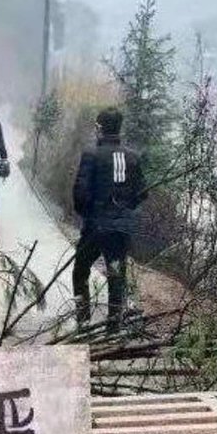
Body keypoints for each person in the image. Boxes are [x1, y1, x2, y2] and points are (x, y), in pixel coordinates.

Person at [71, 107, 147, 333]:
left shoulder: (92, 154)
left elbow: (80, 193)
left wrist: (87, 216)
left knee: (81, 270)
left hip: (95, 229)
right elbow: (142, 193)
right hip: (120, 231)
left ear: (100, 128)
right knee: (116, 275)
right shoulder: (133, 157)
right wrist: (124, 212)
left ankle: (83, 321)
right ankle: (113, 326)